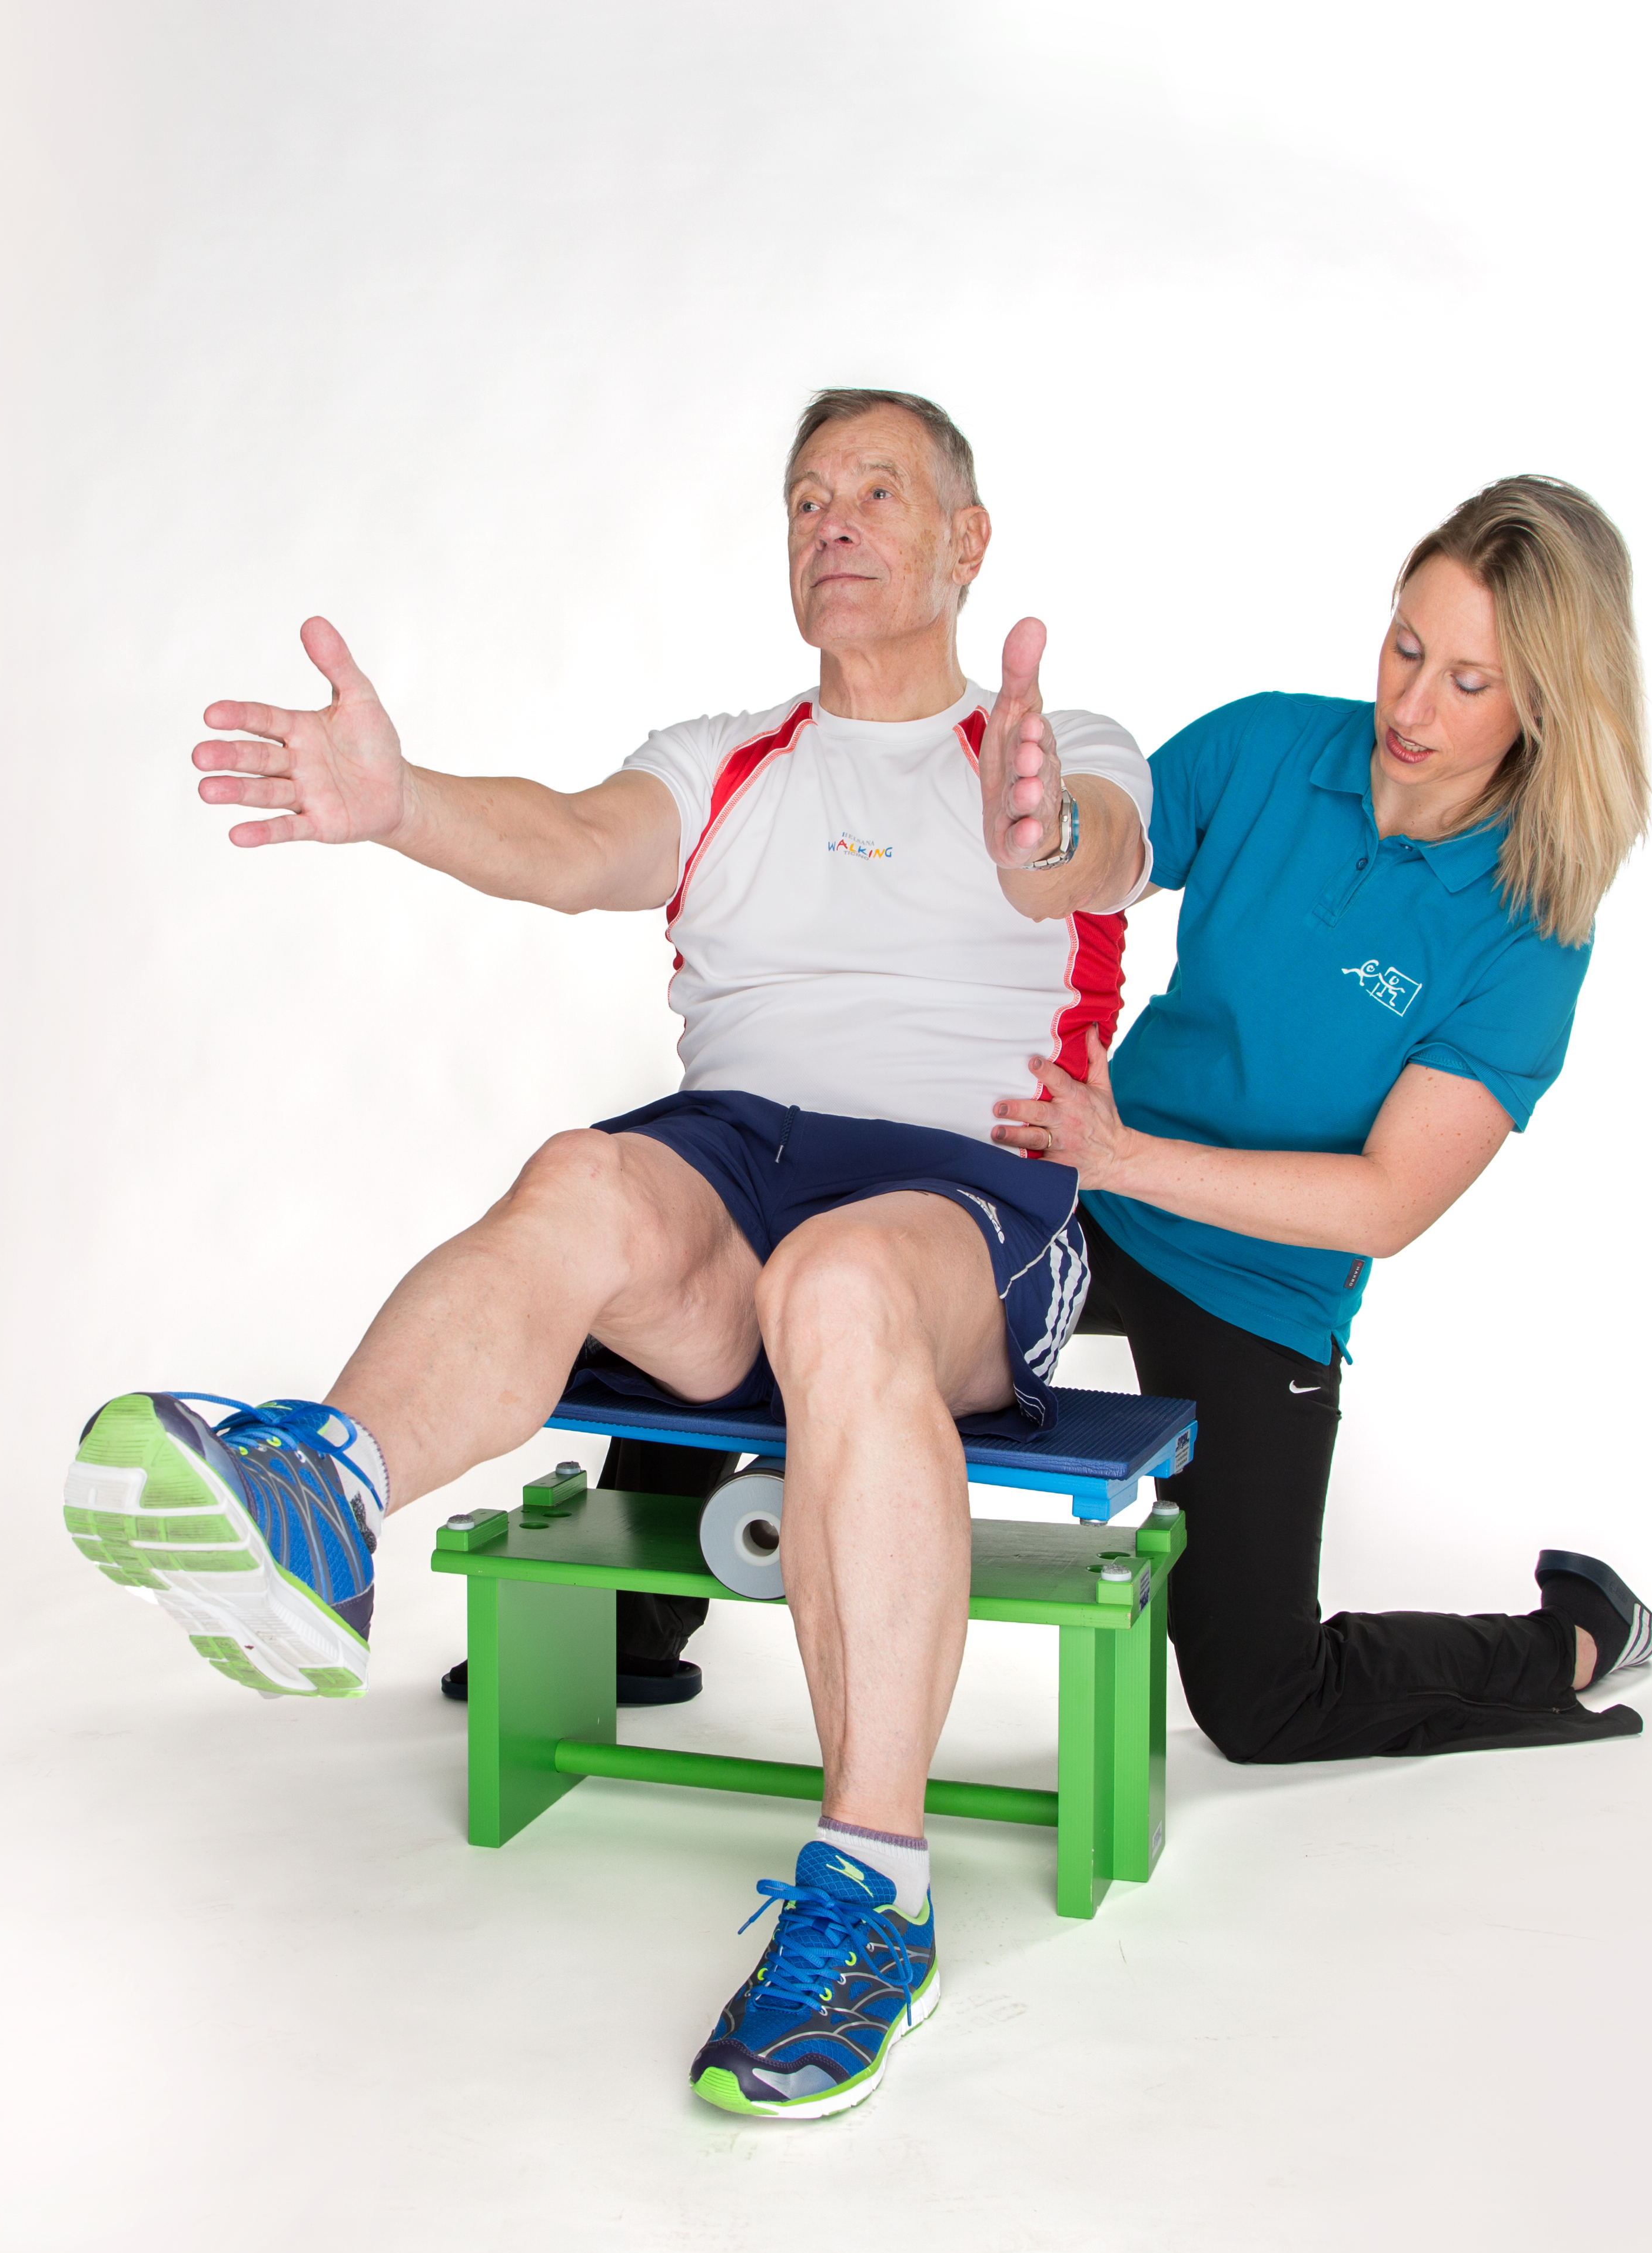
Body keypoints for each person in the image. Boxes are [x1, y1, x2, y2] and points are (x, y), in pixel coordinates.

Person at [64, 390, 1151, 2118]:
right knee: (581, 1178)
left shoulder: (1055, 745)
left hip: (969, 1200)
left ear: (968, 541)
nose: (835, 520)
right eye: (808, 496)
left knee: (842, 1286)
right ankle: (323, 1492)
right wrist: (399, 800)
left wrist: (1048, 833)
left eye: (880, 491)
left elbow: (1083, 855)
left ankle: (875, 1899)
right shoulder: (725, 757)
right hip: (734, 1157)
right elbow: (577, 844)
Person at [991, 475, 1652, 1761]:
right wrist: (1050, 822)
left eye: (1468, 682)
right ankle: (637, 1627)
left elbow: (1387, 1203)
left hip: (1262, 1285)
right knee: (839, 1263)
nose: (1410, 708)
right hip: (1087, 1193)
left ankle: (1574, 1636)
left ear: (1545, 703)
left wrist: (1124, 1155)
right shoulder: (1271, 748)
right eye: (1406, 648)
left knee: (1261, 1703)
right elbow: (1115, 852)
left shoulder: (1531, 929)